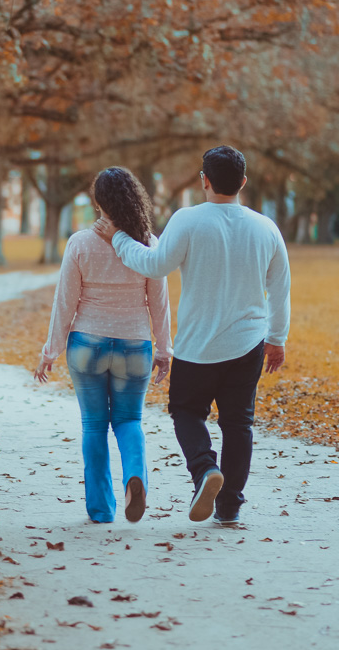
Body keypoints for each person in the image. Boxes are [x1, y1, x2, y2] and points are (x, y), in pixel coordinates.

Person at [93, 146, 290, 525]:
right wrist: (276, 338)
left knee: (185, 411)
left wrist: (117, 238)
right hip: (247, 343)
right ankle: (229, 507)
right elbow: (280, 288)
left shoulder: (188, 220)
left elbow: (154, 264)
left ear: (205, 180)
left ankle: (204, 470)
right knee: (238, 424)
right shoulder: (266, 228)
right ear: (243, 183)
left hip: (197, 346)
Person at [36, 167, 172, 524]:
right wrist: (164, 349)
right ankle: (134, 478)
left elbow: (65, 301)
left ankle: (100, 509)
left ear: (98, 201)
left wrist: (50, 350)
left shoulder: (80, 243)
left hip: (88, 344)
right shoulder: (148, 244)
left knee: (94, 426)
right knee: (129, 419)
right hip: (134, 345)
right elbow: (160, 303)